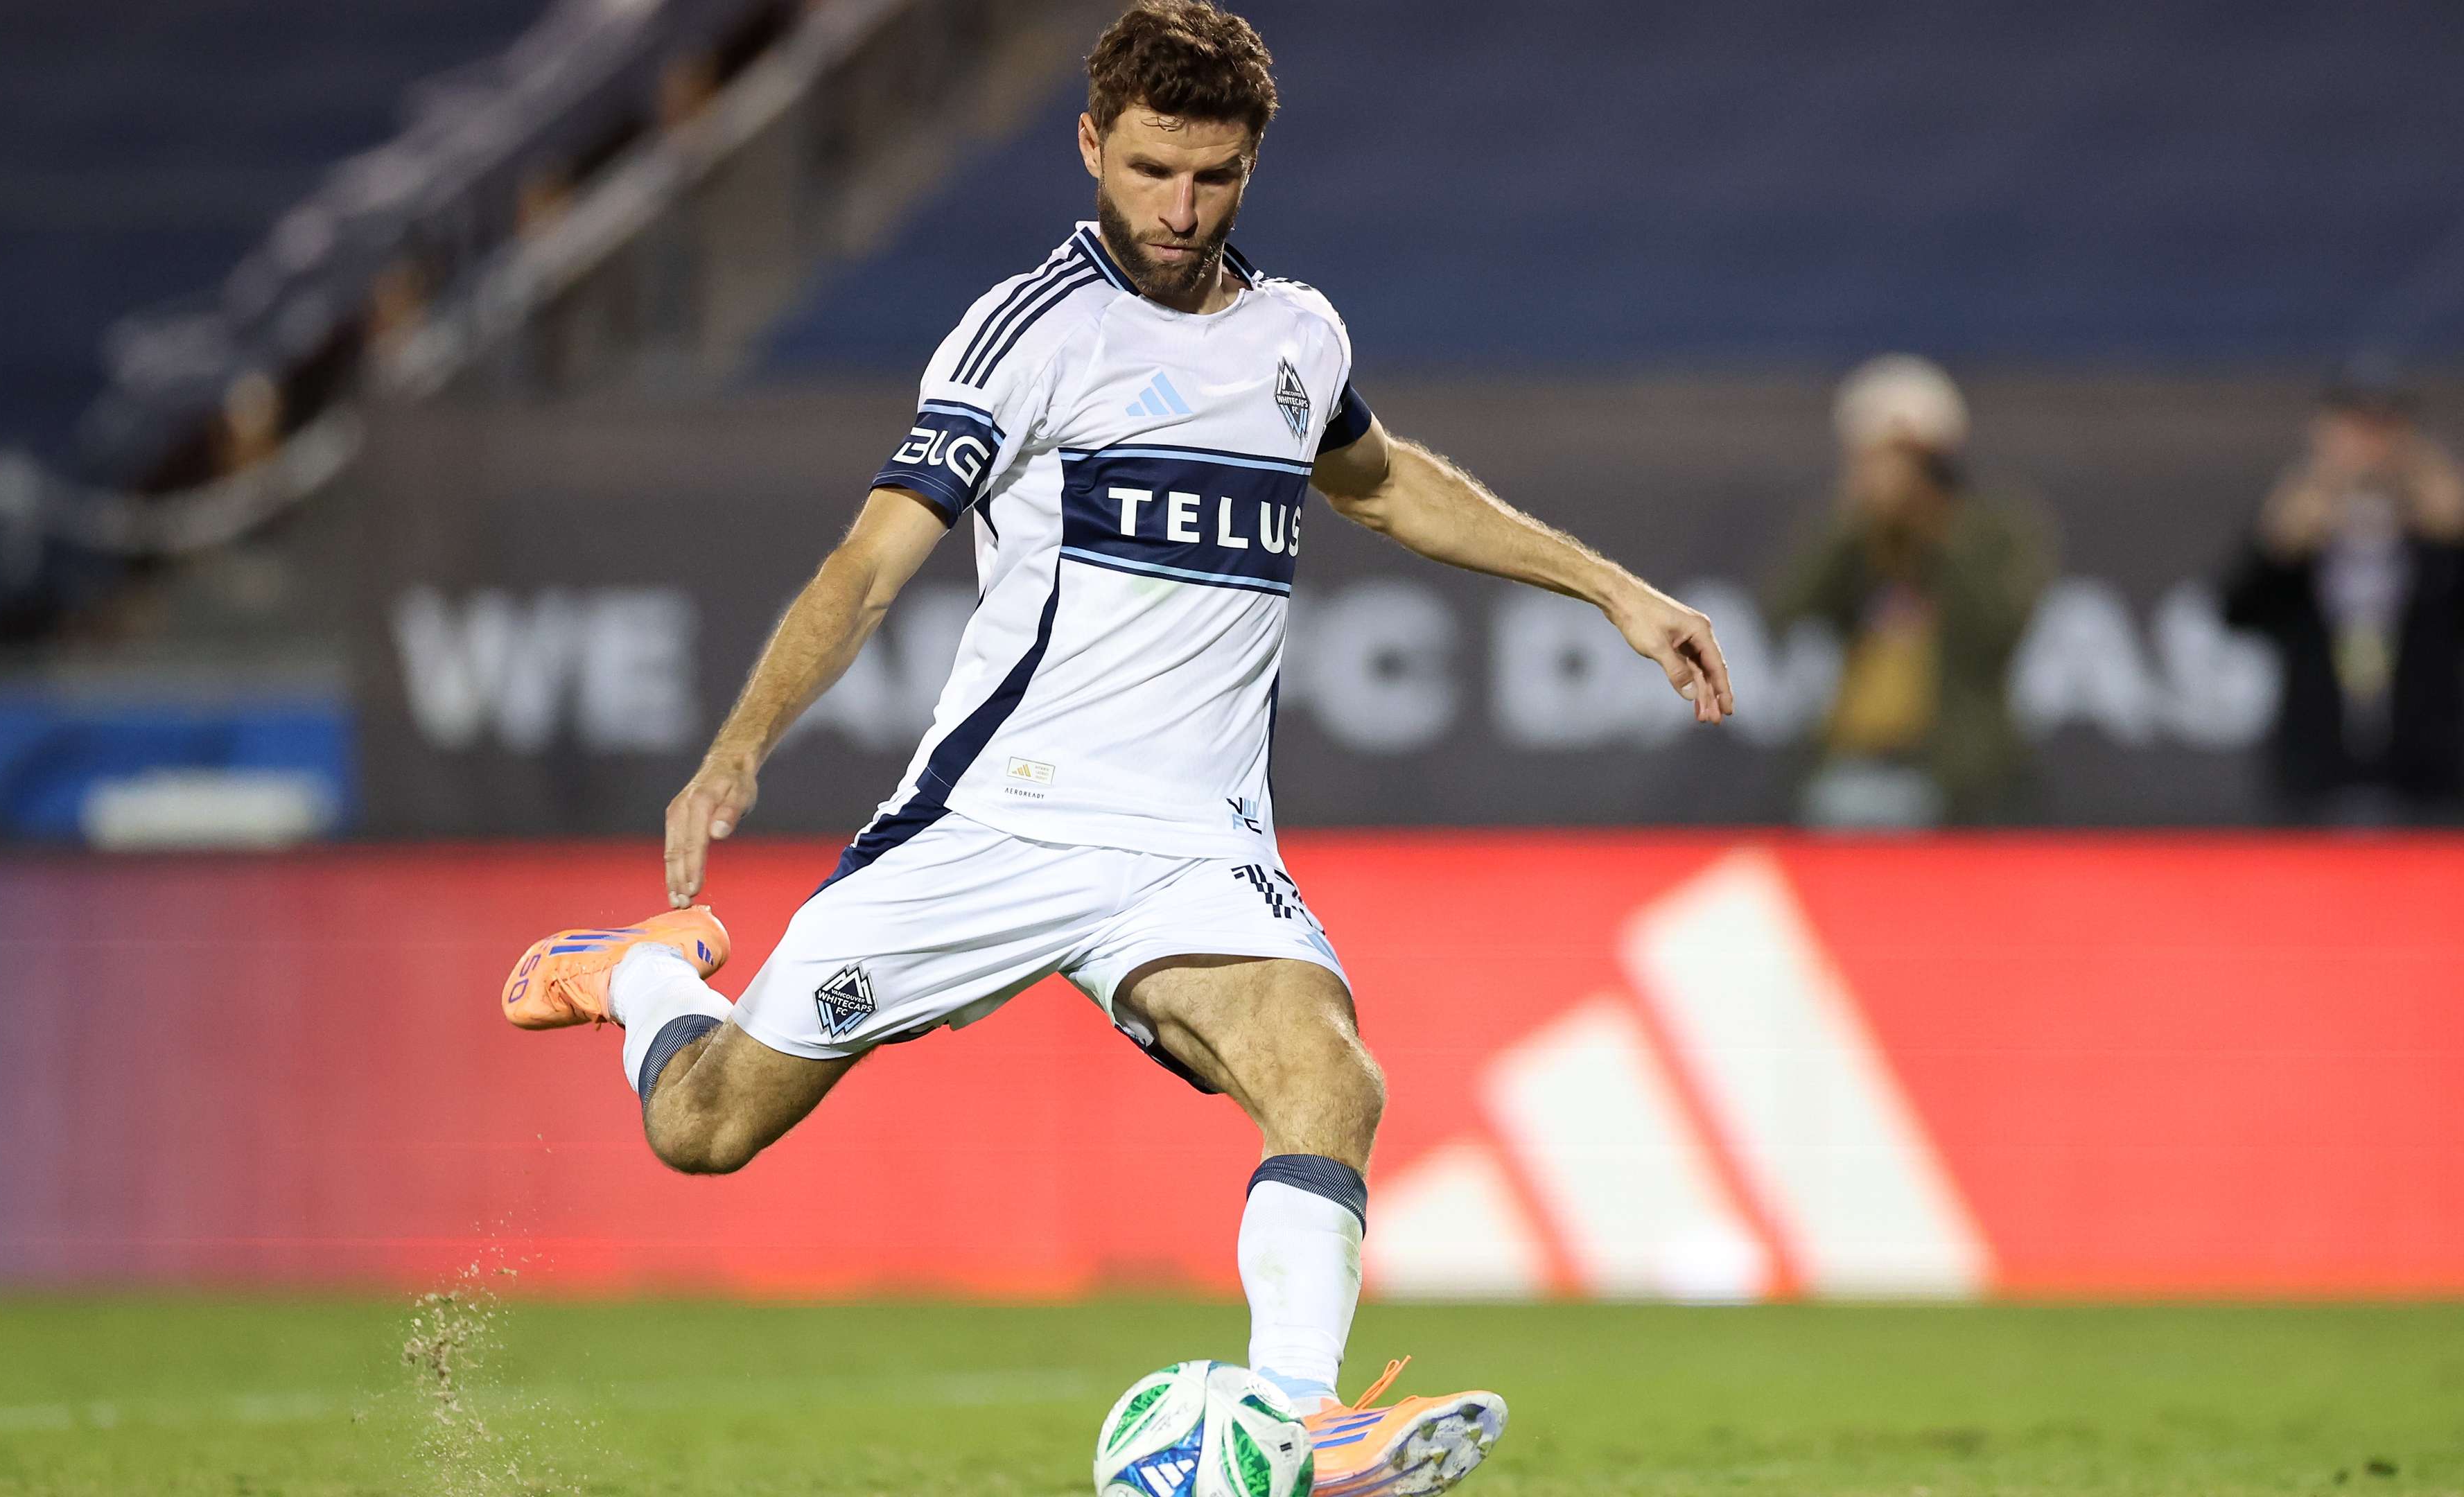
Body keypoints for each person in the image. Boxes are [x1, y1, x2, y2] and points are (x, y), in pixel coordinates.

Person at [497, 6, 1733, 1492]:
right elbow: (867, 566)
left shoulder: (1298, 339)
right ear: (1092, 145)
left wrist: (1615, 588)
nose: (1177, 208)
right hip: (999, 823)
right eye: (1150, 170)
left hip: (1196, 847)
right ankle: (633, 974)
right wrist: (740, 747)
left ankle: (1293, 1424)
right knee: (704, 1130)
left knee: (1329, 1079)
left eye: (1212, 176)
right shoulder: (1030, 335)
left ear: (1252, 163)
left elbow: (1387, 488)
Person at [1770, 355, 2052, 827]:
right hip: (1854, 761)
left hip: (1958, 768)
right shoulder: (1856, 536)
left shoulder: (1992, 530)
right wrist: (1851, 525)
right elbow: (1787, 609)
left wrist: (1937, 525)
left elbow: (1998, 627)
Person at [2220, 360, 2464, 823]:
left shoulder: (2439, 532)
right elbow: (2234, 614)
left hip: (2426, 781)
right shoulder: (2297, 525)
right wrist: (2277, 548)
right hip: (2316, 776)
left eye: (2382, 429)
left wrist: (2454, 537)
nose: (2367, 448)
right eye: (2353, 429)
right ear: (2323, 435)